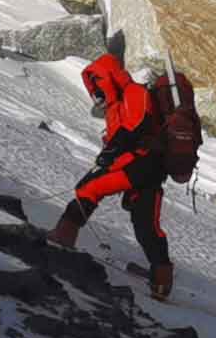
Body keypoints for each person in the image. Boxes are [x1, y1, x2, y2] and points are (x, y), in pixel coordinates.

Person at [46, 46, 173, 301]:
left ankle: (63, 237)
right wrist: (111, 151)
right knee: (146, 225)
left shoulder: (135, 93)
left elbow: (135, 128)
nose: (97, 94)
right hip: (146, 167)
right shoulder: (118, 103)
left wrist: (111, 153)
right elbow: (125, 135)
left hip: (140, 165)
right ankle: (161, 282)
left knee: (88, 188)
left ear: (108, 78)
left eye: (98, 86)